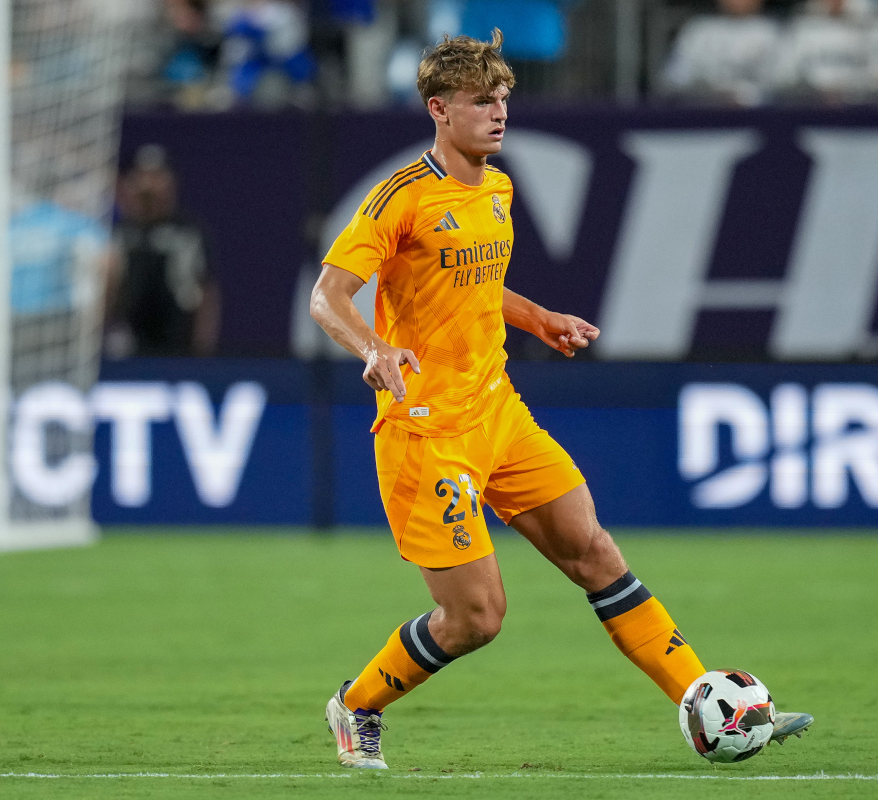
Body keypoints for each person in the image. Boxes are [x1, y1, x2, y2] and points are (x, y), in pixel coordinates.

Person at [308, 29, 813, 769]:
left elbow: (471, 284)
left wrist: (537, 316)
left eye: (505, 98)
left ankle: (713, 705)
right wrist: (376, 350)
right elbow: (328, 297)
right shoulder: (401, 198)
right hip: (427, 434)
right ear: (439, 109)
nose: (500, 112)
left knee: (596, 553)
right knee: (477, 617)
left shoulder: (498, 188)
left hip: (500, 414)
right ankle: (356, 705)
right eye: (483, 101)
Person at [106, 145, 219, 358]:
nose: (149, 185)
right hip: (128, 343)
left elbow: (207, 292)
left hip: (177, 341)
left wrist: (203, 349)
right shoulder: (120, 233)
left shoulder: (188, 230)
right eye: (141, 176)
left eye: (157, 177)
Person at [663, 0, 783, 106]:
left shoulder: (775, 31)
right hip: (703, 115)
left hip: (764, 116)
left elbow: (786, 84)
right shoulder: (698, 31)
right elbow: (674, 80)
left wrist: (745, 95)